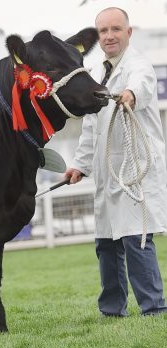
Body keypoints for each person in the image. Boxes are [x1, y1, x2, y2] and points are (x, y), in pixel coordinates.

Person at [64, 7, 167, 316]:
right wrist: (80, 165)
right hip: (108, 171)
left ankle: (153, 306)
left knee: (136, 238)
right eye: (103, 31)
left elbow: (143, 86)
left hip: (134, 169)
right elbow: (91, 128)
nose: (109, 36)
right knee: (106, 243)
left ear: (128, 32)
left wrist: (130, 95)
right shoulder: (97, 74)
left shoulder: (139, 65)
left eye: (115, 29)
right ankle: (112, 308)